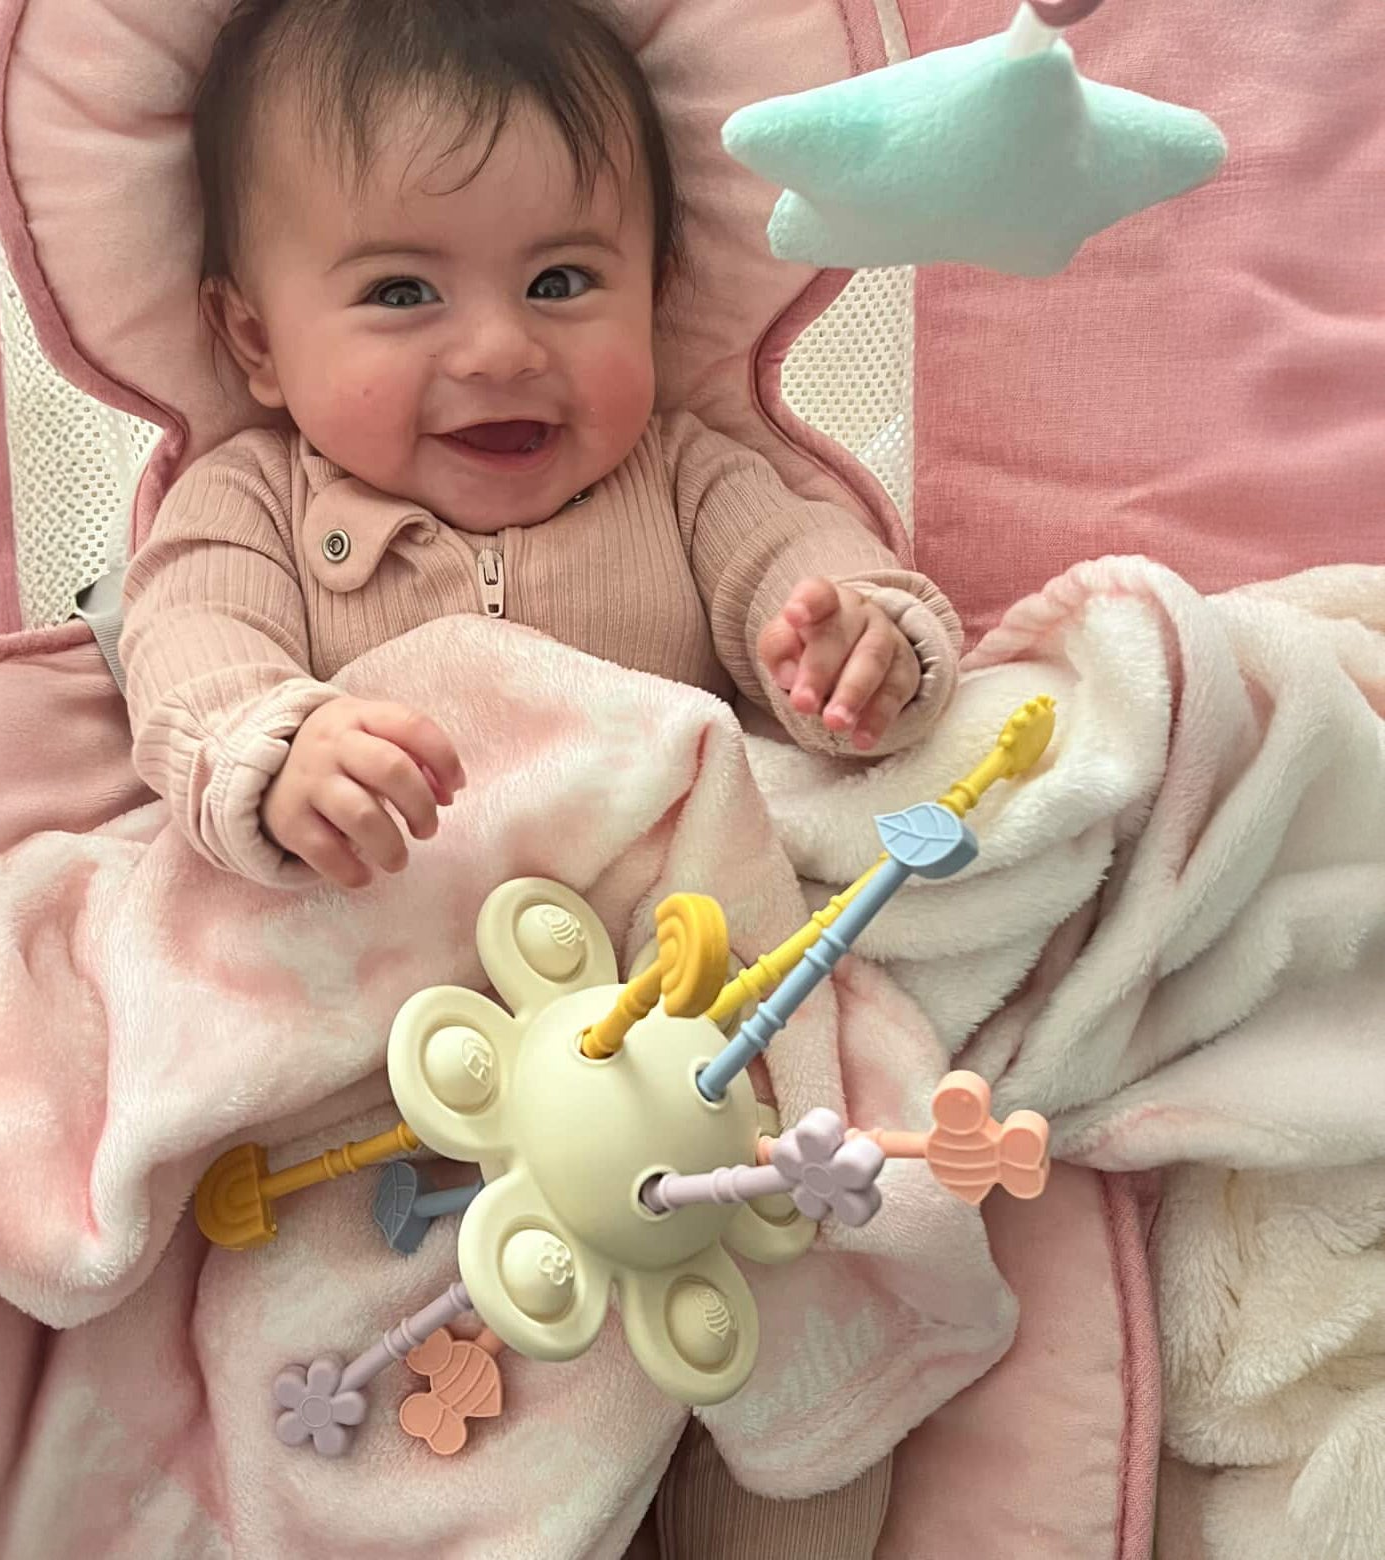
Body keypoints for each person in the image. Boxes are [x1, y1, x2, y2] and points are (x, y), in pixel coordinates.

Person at [122, 2, 954, 1548]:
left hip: (685, 1057)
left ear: (661, 286)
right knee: (402, 1394)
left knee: (806, 1321)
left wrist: (861, 648)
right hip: (402, 1093)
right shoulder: (252, 502)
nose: (501, 347)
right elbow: (185, 656)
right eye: (400, 290)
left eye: (565, 280)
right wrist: (275, 748)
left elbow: (814, 569)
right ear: (254, 337)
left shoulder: (691, 481)